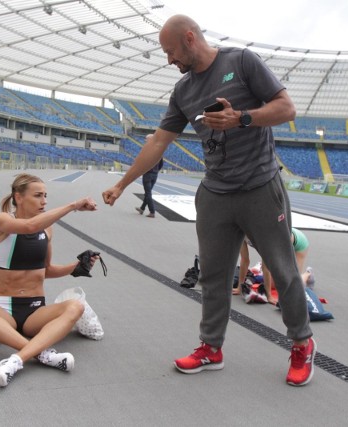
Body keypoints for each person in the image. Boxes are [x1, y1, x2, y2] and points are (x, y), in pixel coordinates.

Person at [102, 14, 315, 386]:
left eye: (170, 51)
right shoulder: (183, 91)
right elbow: (157, 142)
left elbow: (287, 108)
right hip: (215, 194)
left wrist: (242, 119)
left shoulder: (242, 62)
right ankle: (210, 348)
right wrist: (122, 184)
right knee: (213, 277)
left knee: (283, 271)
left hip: (260, 187)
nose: (169, 60)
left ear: (189, 38)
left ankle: (302, 345)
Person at [0, 173, 100, 387]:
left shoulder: (47, 229)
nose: (44, 201)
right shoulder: (2, 220)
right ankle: (42, 353)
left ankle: (17, 360)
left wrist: (76, 267)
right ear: (18, 197)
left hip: (35, 312)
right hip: (4, 311)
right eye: (38, 195)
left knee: (75, 307)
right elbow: (28, 227)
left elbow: (46, 270)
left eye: (45, 195)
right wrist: (73, 205)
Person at [135, 138, 164, 218]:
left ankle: (152, 211)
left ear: (150, 140)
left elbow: (142, 162)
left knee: (148, 193)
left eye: (146, 139)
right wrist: (156, 171)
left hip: (147, 175)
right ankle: (142, 208)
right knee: (148, 193)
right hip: (154, 175)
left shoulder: (148, 150)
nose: (145, 140)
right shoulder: (159, 151)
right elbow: (161, 164)